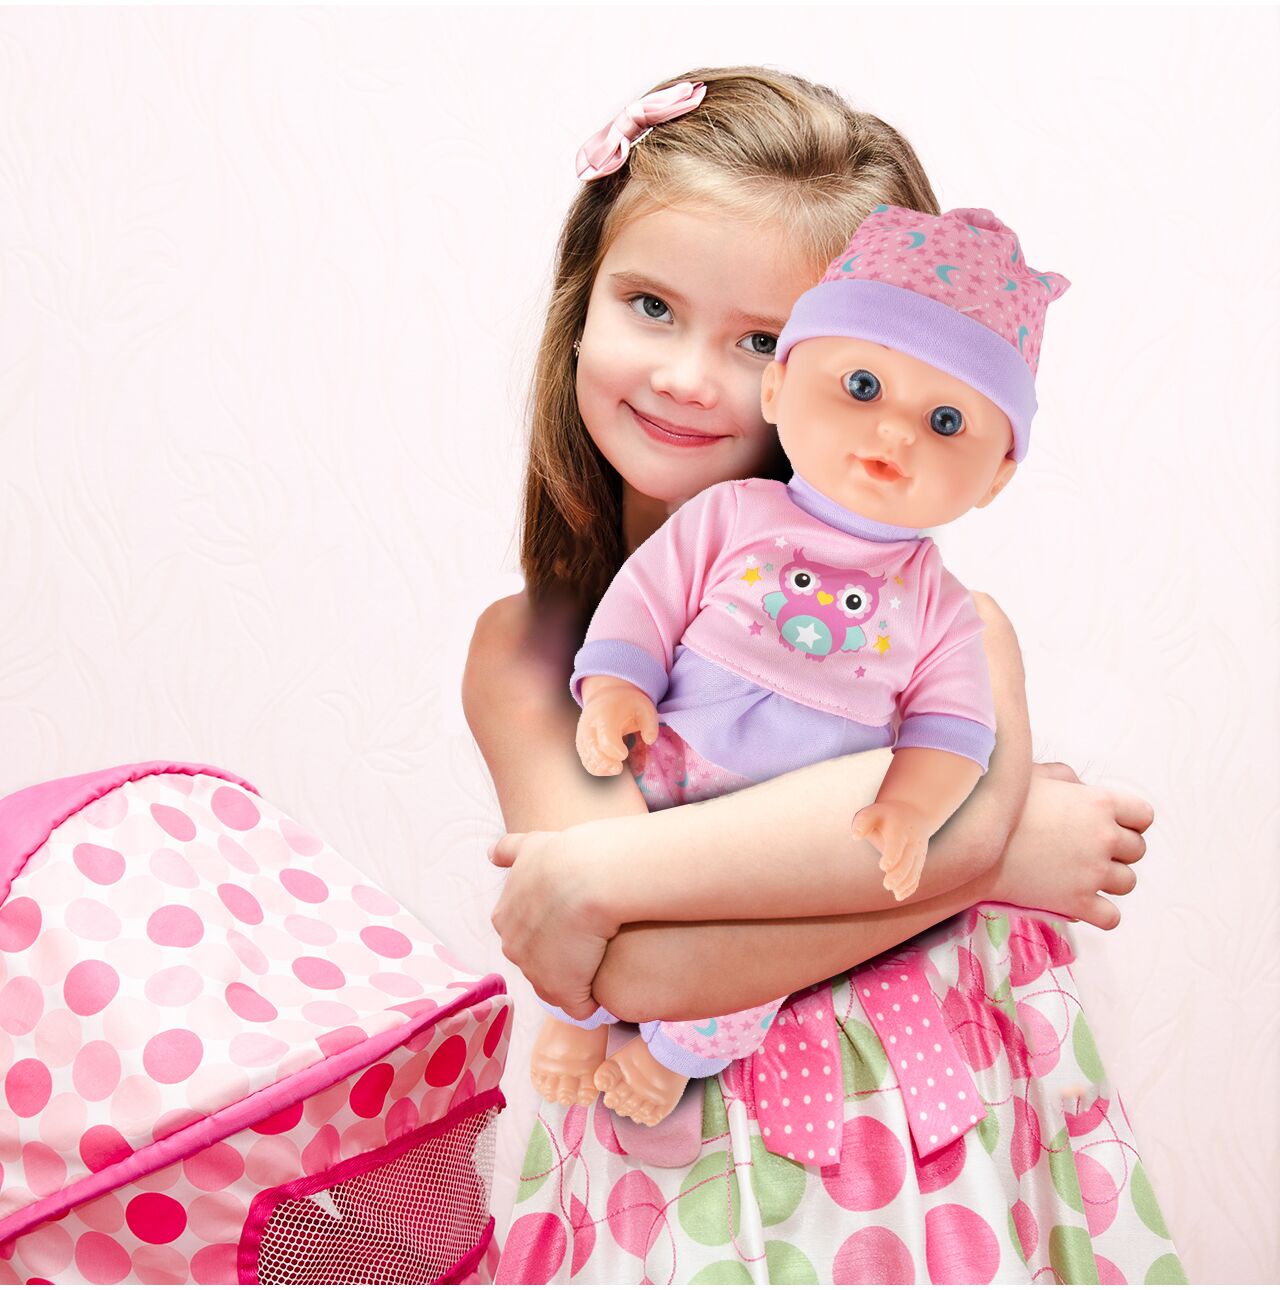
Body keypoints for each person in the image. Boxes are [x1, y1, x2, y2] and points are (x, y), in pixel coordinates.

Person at [468, 67, 1184, 1285]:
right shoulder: (534, 647)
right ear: (581, 303)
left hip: (935, 1175)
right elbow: (634, 971)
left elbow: (945, 828)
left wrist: (596, 872)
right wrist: (998, 855)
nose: (689, 375)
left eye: (760, 339)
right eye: (650, 305)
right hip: (677, 1192)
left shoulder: (950, 626)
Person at [550, 202, 1069, 1131]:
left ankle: (673, 1056)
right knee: (610, 884)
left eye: (946, 419)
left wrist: (912, 806)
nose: (896, 435)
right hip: (667, 778)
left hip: (793, 837)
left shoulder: (940, 606)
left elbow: (955, 728)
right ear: (781, 387)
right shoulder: (731, 515)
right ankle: (573, 1019)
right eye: (862, 385)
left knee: (751, 959)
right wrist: (619, 687)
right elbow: (646, 603)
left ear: (996, 475)